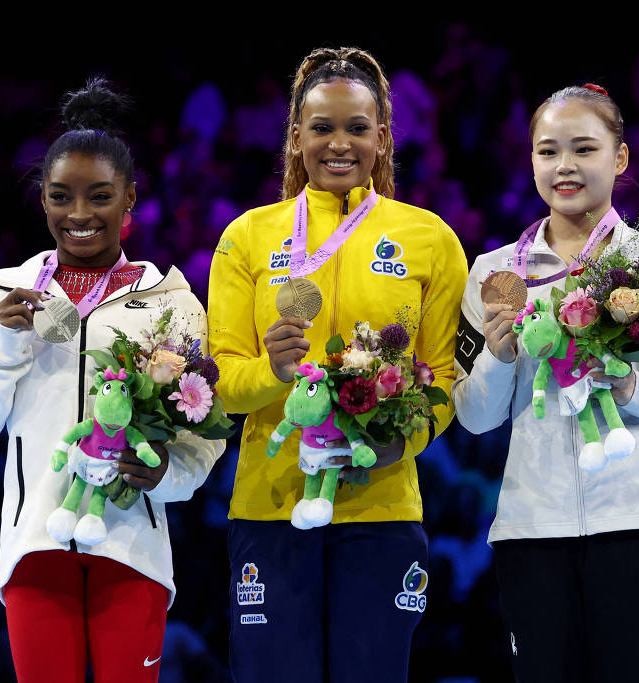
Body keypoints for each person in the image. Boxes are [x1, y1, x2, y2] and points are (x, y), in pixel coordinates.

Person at [0, 78, 224, 683]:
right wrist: (6, 343)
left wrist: (167, 474)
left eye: (99, 196)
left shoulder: (172, 303)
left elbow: (203, 439)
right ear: (42, 200)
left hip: (133, 552)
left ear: (130, 200)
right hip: (35, 551)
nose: (80, 215)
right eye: (61, 196)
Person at [452, 84, 639, 683]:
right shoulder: (495, 274)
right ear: (531, 160)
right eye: (548, 152)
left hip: (638, 521)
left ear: (620, 158)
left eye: (584, 149)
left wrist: (632, 388)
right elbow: (473, 417)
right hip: (531, 528)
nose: (565, 167)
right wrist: (498, 358)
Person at [207, 47, 467, 683]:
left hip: (382, 510)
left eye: (357, 127)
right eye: (322, 127)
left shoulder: (430, 238)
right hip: (270, 511)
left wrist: (399, 444)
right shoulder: (248, 237)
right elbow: (217, 390)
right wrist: (272, 370)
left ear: (382, 138)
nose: (339, 143)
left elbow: (443, 381)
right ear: (296, 138)